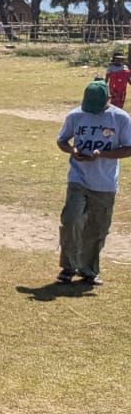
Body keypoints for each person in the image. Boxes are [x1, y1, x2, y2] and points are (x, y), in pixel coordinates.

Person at [55, 79, 131, 285]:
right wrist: (73, 150)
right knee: (71, 219)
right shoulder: (75, 115)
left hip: (105, 183)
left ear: (108, 99)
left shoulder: (121, 119)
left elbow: (129, 148)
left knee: (97, 228)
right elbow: (61, 140)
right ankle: (68, 267)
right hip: (78, 178)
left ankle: (88, 269)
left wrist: (103, 154)